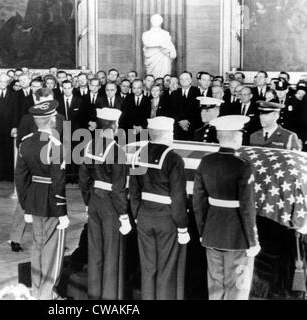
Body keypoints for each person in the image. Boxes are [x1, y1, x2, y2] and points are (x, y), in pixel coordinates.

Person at [193, 115, 261, 300]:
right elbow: (247, 207)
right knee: (237, 287)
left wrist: (202, 230)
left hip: (211, 233)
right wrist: (252, 241)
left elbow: (198, 202)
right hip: (238, 237)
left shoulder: (206, 161)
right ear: (235, 136)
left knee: (215, 286)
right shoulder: (243, 165)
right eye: (240, 133)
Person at [129, 116, 190, 300]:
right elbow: (178, 196)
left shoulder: (139, 154)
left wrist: (137, 214)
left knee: (148, 268)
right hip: (166, 219)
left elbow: (134, 189)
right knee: (167, 268)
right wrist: (182, 226)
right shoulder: (174, 158)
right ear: (167, 135)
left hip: (144, 216)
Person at [14, 99, 69, 300]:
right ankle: (47, 295)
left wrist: (25, 205)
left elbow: (20, 178)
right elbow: (58, 182)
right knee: (52, 251)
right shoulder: (56, 145)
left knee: (37, 246)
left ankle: (37, 291)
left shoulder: (26, 142)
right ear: (52, 120)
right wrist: (62, 212)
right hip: (52, 202)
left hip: (33, 199)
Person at [248, 101, 302, 299]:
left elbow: (295, 172)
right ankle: (258, 290)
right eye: (261, 114)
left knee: (280, 250)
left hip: (280, 205)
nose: (262, 117)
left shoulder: (289, 138)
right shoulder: (253, 136)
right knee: (261, 248)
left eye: (267, 114)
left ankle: (277, 290)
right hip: (258, 203)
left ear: (276, 116)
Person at [79, 108, 131, 300]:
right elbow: (118, 188)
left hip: (93, 201)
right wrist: (124, 215)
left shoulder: (90, 146)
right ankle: (109, 299)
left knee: (95, 252)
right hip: (110, 205)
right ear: (115, 126)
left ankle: (93, 295)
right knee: (111, 254)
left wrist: (87, 202)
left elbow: (83, 178)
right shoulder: (117, 151)